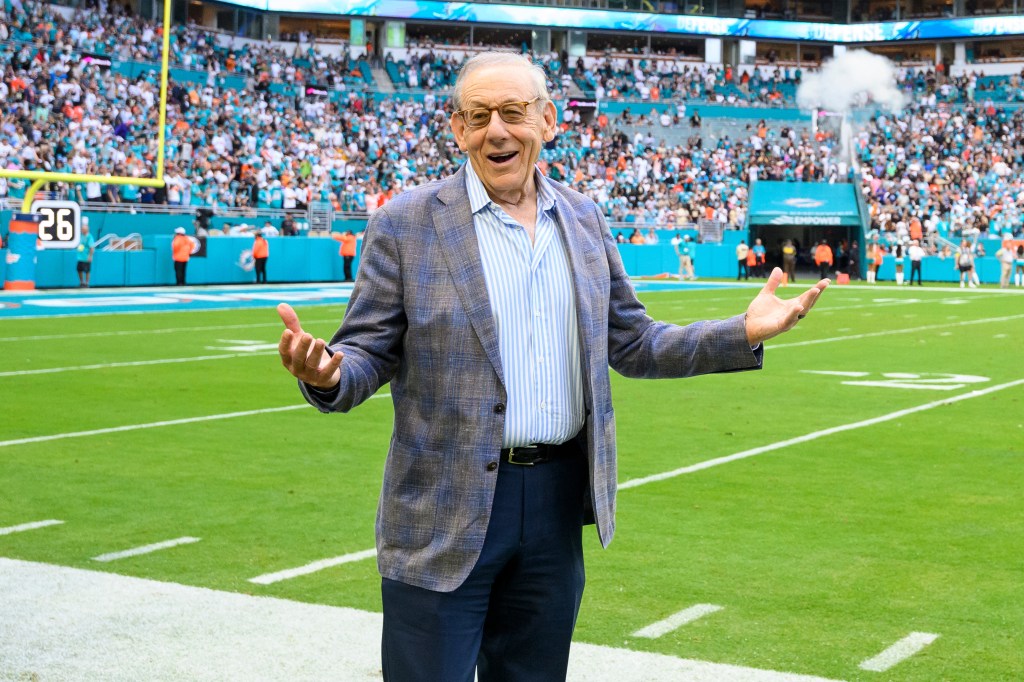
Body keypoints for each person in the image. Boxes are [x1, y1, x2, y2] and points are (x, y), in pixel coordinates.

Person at [275, 52, 828, 682]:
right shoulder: (405, 223)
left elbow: (635, 342)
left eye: (513, 113)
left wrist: (741, 332)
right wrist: (327, 374)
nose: (497, 131)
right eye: (478, 116)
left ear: (548, 120)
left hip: (556, 503)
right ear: (457, 129)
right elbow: (366, 353)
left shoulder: (585, 218)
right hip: (441, 507)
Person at [76, 218, 96, 287]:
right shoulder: (80, 236)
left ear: (87, 230)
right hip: (80, 257)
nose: (82, 230)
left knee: (87, 271)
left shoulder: (90, 237)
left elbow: (92, 248)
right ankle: (82, 282)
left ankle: (87, 283)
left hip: (86, 257)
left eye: (83, 229)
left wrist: (90, 256)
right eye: (82, 229)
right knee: (79, 270)